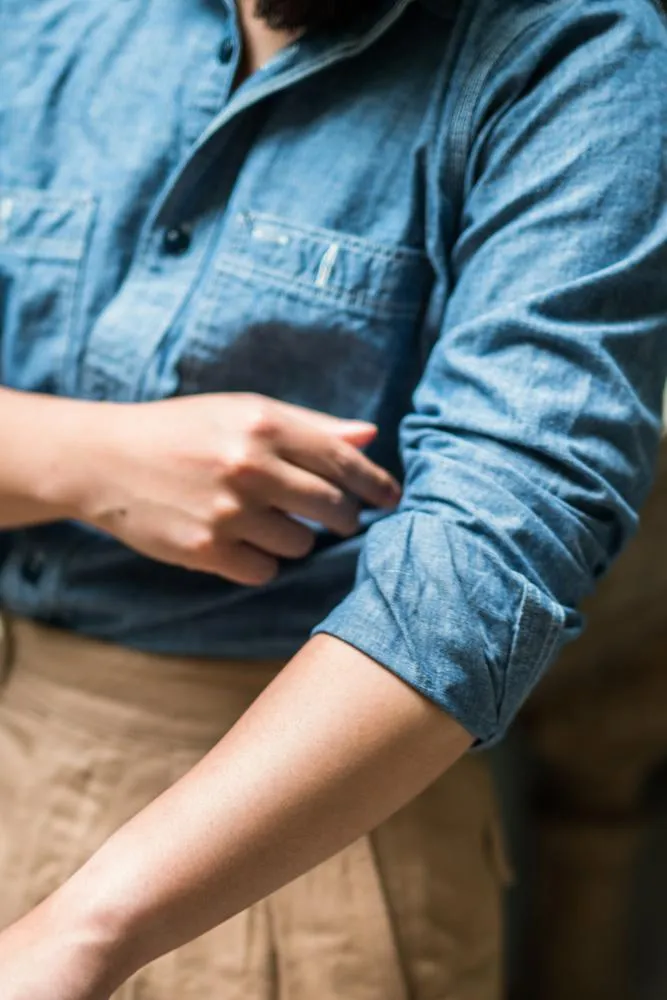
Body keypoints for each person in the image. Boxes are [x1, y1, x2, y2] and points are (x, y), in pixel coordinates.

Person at [0, 0, 666, 997]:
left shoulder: (579, 49)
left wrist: (80, 933)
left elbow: (495, 550)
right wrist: (83, 458)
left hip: (290, 866)